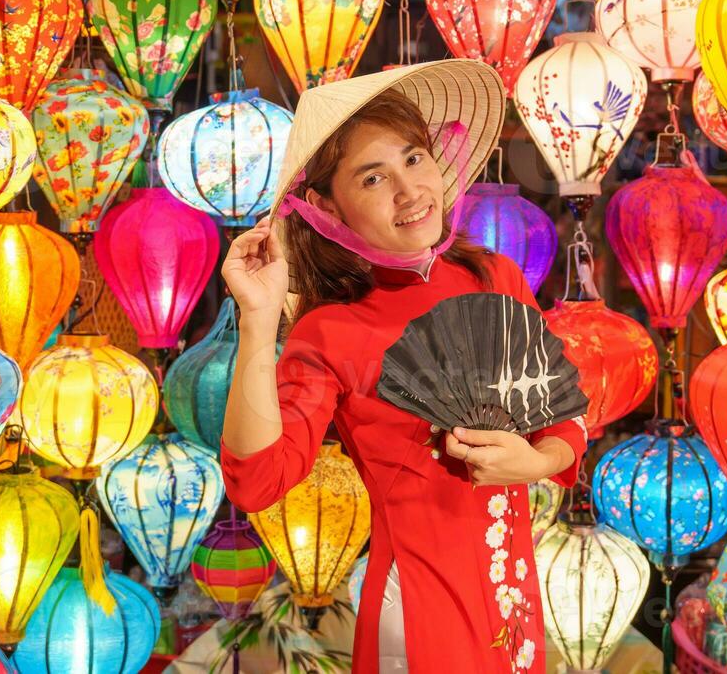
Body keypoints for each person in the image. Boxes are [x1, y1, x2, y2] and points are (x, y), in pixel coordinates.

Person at [219, 60, 587, 674]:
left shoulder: (495, 277)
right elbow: (257, 483)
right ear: (325, 207)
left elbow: (565, 419)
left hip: (511, 597)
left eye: (414, 159)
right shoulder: (331, 331)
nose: (409, 190)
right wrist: (257, 319)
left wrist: (539, 461)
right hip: (418, 614)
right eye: (372, 178)